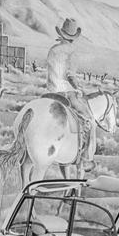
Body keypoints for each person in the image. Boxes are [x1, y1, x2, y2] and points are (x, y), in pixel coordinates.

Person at [45, 18, 95, 172]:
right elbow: (70, 75)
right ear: (73, 37)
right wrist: (79, 88)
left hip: (50, 93)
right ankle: (86, 158)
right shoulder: (72, 52)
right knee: (89, 120)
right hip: (66, 93)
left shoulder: (53, 50)